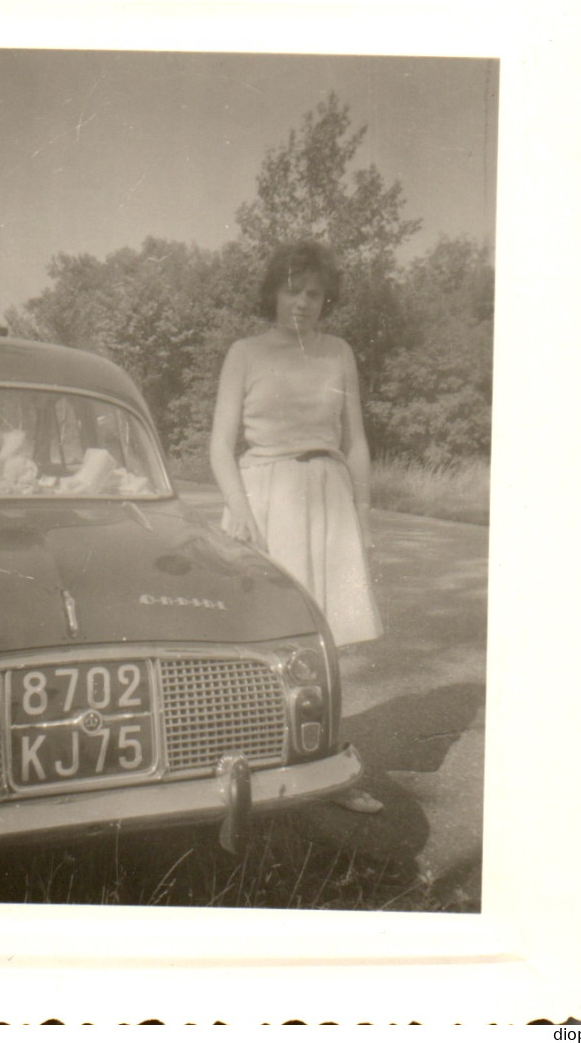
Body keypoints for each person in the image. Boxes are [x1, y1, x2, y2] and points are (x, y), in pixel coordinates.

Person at [209, 240, 384, 814]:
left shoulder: (338, 352)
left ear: (326, 296)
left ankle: (329, 770)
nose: (302, 302)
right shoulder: (245, 352)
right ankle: (246, 767)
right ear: (273, 293)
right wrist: (239, 507)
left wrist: (361, 515)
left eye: (313, 292)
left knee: (328, 641)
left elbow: (355, 441)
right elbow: (219, 445)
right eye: (292, 290)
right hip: (265, 494)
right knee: (266, 638)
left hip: (328, 495)